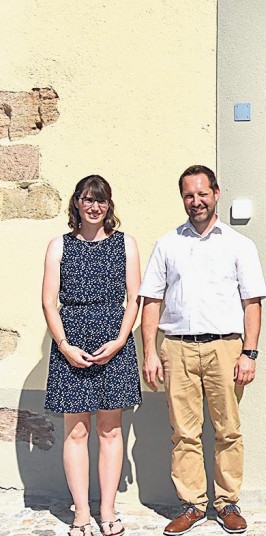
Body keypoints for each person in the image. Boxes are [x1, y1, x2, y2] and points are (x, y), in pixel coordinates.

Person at [139, 165, 266, 536]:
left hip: (225, 349)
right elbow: (151, 301)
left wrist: (250, 353)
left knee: (228, 430)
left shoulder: (239, 245)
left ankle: (227, 504)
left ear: (216, 193)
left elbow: (252, 303)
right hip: (176, 349)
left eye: (202, 194)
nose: (196, 202)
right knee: (183, 433)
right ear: (183, 199)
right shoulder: (167, 244)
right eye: (188, 196)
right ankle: (192, 505)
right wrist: (149, 353)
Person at [42, 175, 142, 536]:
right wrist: (65, 346)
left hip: (113, 343)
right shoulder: (59, 246)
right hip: (72, 344)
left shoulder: (126, 245)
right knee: (77, 431)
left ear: (109, 205)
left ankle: (109, 511)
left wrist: (118, 341)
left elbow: (135, 299)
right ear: (77, 203)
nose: (94, 207)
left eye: (101, 201)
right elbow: (49, 302)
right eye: (88, 199)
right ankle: (81, 512)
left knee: (110, 429)